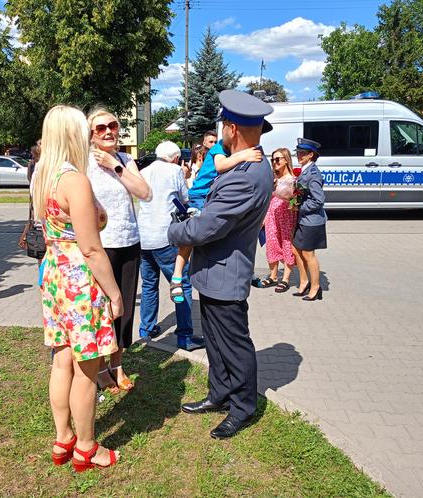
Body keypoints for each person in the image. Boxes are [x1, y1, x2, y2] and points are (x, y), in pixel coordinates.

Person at [168, 89, 274, 439]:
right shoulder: (247, 163)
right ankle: (219, 393)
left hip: (226, 274)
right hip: (214, 273)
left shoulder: (247, 173)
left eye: (222, 127)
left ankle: (243, 408)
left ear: (230, 128)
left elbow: (206, 226)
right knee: (215, 341)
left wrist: (174, 229)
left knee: (234, 344)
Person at [34, 105, 122, 471]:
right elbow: (91, 247)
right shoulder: (74, 180)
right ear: (73, 135)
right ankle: (86, 447)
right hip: (78, 278)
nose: (90, 136)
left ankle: (63, 438)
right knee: (87, 368)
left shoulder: (43, 175)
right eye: (85, 131)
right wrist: (114, 292)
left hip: (54, 274)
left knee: (61, 361)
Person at [87, 107, 151, 393]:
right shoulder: (83, 162)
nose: (109, 131)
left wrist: (116, 166)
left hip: (129, 242)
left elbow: (145, 193)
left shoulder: (125, 160)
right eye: (100, 128)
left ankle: (117, 364)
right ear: (90, 134)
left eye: (112, 125)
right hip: (100, 246)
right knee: (101, 308)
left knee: (124, 307)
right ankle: (100, 367)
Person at [169, 136, 263, 304]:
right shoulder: (219, 149)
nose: (211, 144)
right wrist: (243, 156)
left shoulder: (227, 152)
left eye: (213, 141)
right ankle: (177, 276)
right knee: (192, 234)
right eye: (209, 141)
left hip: (207, 197)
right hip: (199, 197)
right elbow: (220, 167)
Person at [136, 141, 204, 351]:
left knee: (148, 285)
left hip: (144, 236)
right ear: (176, 158)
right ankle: (184, 335)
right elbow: (185, 197)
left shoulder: (144, 171)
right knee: (181, 284)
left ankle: (146, 330)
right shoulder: (175, 170)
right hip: (166, 237)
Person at [253, 147, 297, 292]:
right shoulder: (273, 178)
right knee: (271, 243)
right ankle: (273, 276)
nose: (275, 162)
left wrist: (291, 202)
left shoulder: (292, 180)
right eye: (273, 160)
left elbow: (295, 200)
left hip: (286, 216)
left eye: (278, 159)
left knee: (286, 243)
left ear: (286, 160)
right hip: (271, 215)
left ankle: (285, 278)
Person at [291, 138, 327, 301]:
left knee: (308, 254)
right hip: (303, 219)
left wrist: (299, 208)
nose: (299, 155)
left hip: (311, 220)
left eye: (302, 153)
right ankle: (304, 281)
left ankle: (315, 287)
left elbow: (318, 200)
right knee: (296, 250)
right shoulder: (306, 170)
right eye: (298, 152)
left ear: (311, 155)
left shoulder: (313, 174)